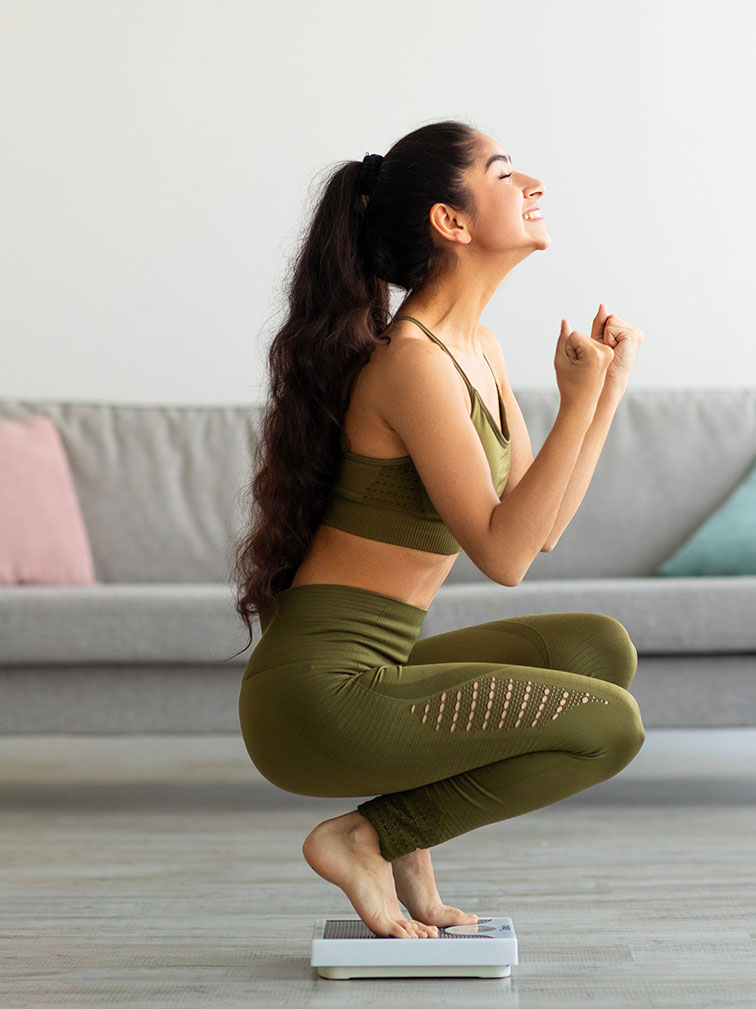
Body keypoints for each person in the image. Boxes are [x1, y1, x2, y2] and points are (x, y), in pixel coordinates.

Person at [230, 119, 647, 941]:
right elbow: (503, 556)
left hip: (375, 676)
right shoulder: (412, 363)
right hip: (316, 700)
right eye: (503, 172)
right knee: (611, 726)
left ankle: (404, 831)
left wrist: (606, 392)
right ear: (450, 221)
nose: (531, 184)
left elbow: (541, 528)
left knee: (600, 649)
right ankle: (370, 837)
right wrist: (574, 403)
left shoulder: (476, 347)